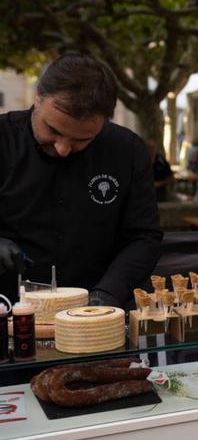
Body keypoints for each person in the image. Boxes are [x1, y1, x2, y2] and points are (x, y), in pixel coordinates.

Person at [0, 53, 162, 307]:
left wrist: (108, 293)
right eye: (53, 130)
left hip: (98, 304)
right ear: (38, 96)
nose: (63, 148)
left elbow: (143, 238)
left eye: (82, 140)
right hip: (9, 305)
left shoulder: (126, 151)